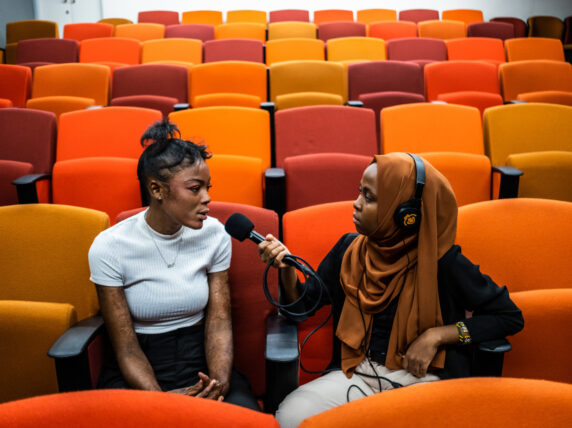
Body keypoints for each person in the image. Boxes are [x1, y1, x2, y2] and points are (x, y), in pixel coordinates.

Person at [258, 153, 524, 427]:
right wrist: (285, 266)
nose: (356, 203)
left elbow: (508, 316)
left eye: (369, 198)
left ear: (405, 215)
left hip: (422, 381)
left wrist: (438, 335)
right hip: (356, 374)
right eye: (359, 192)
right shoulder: (348, 251)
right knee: (291, 416)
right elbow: (301, 309)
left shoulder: (443, 262)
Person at [88, 120, 259, 410]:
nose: (207, 198)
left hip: (200, 360)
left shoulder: (215, 233)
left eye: (207, 187)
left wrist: (218, 385)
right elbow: (126, 347)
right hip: (139, 367)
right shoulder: (109, 246)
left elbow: (218, 322)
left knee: (243, 417)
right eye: (195, 188)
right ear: (156, 189)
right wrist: (158, 401)